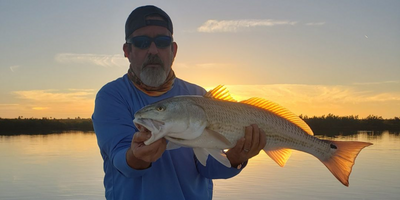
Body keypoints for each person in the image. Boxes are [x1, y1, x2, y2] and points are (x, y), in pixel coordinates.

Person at [92, 5, 266, 200]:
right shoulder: (112, 96)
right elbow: (119, 158)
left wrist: (237, 157)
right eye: (141, 42)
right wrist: (136, 157)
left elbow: (208, 168)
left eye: (162, 42)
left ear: (173, 50)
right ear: (127, 51)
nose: (153, 50)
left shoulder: (198, 96)